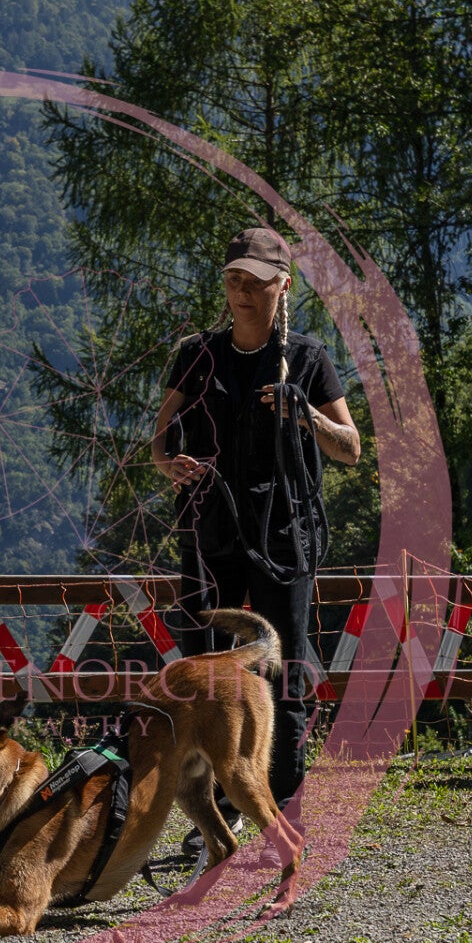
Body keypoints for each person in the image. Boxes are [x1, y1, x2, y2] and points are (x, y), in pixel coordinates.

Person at [150, 226, 361, 811]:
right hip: (207, 531)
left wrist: (306, 415)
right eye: (234, 280)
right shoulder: (197, 354)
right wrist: (168, 463)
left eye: (256, 282)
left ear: (283, 286)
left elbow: (350, 448)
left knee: (284, 669)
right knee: (202, 672)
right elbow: (158, 439)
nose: (242, 292)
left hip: (283, 536)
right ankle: (218, 809)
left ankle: (283, 802)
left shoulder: (308, 359)